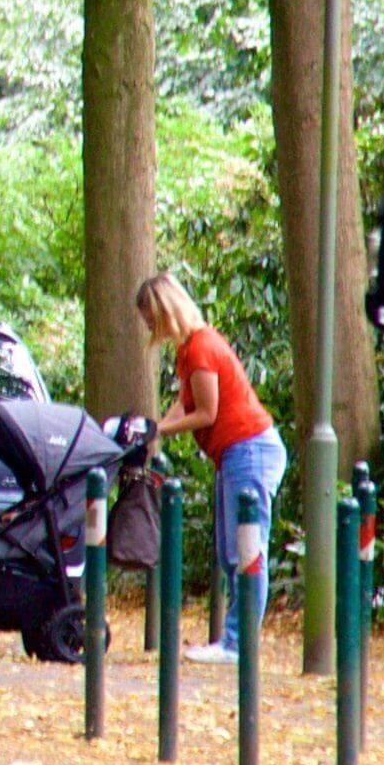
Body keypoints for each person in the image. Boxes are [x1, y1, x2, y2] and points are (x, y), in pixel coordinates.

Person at [137, 271, 276, 664]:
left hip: (249, 448)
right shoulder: (189, 349)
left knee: (245, 550)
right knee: (231, 549)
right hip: (235, 452)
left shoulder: (200, 347)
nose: (148, 325)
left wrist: (159, 428)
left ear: (166, 310)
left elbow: (206, 412)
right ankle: (234, 641)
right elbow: (184, 404)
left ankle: (237, 644)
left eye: (150, 316)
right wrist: (155, 428)